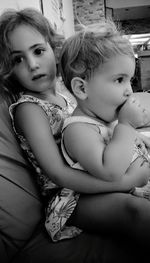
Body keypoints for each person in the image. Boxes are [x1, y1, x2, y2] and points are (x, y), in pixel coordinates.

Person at [1, 9, 150, 257]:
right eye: (18, 59)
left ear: (54, 49)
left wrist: (140, 138)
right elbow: (59, 174)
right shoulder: (28, 108)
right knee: (136, 212)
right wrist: (125, 182)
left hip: (100, 171)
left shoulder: (67, 95)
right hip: (72, 198)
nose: (32, 64)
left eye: (38, 51)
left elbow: (102, 129)